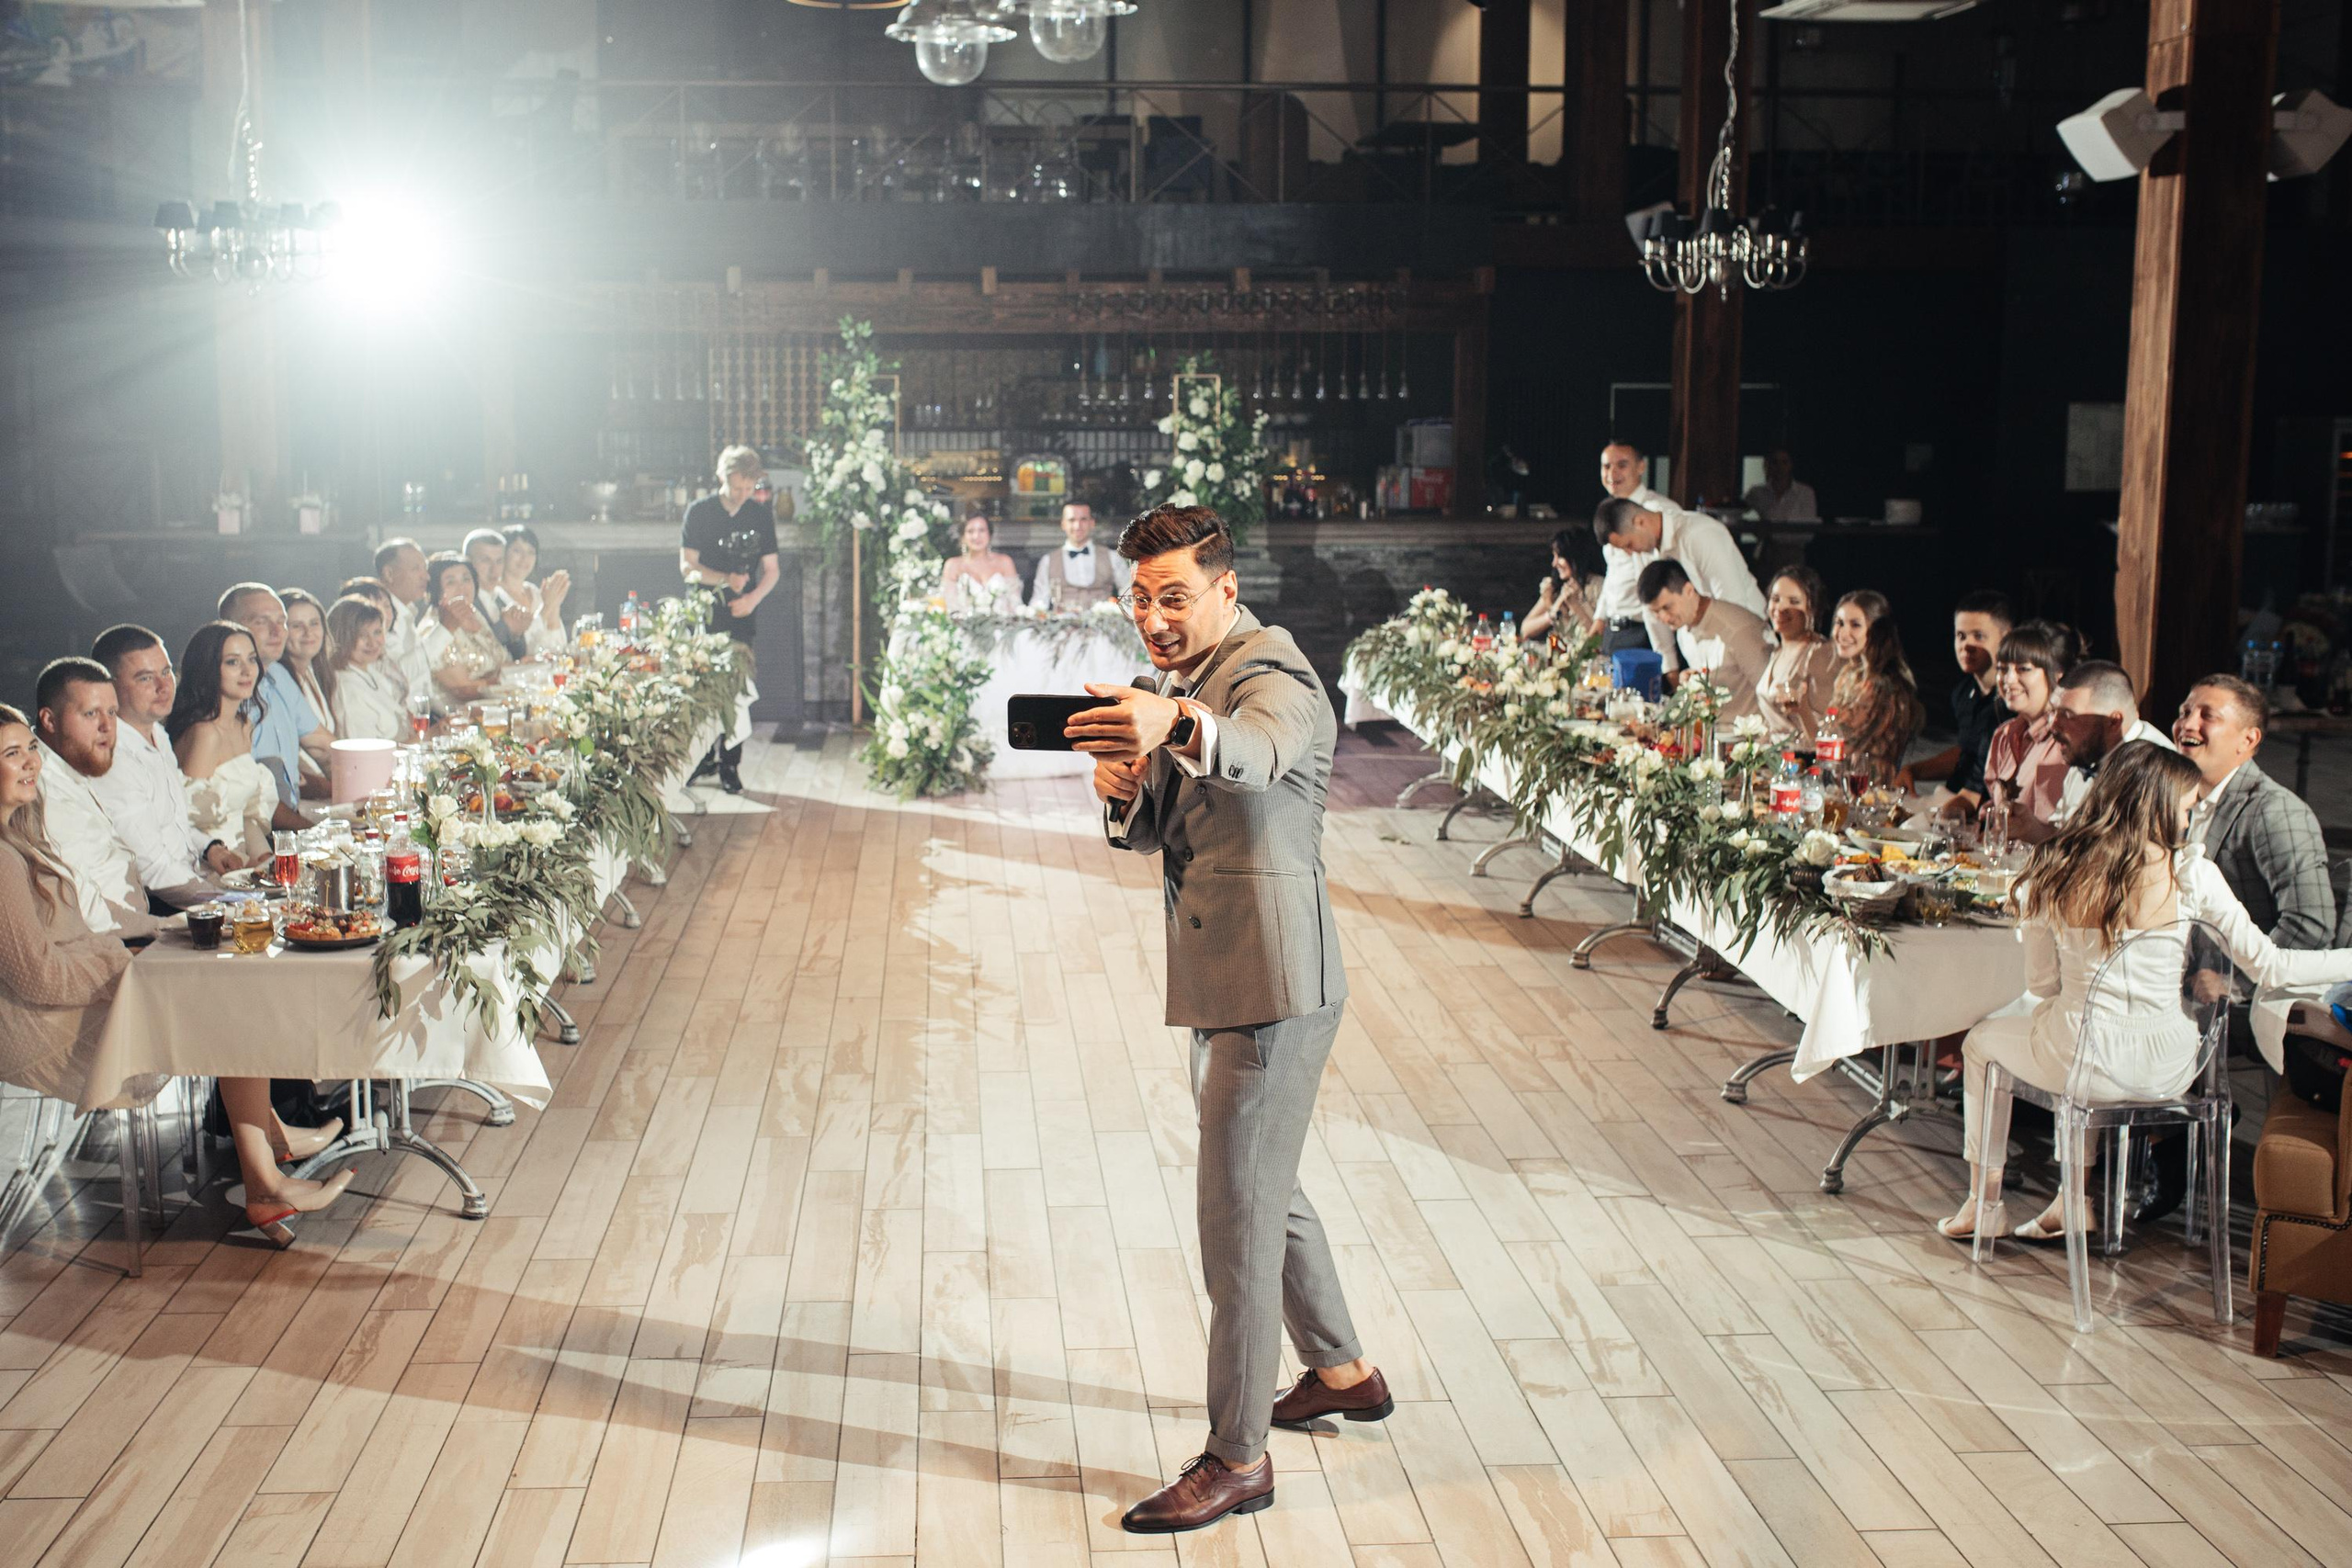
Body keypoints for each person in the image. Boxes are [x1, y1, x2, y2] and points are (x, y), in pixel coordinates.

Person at [1065, 503, 1383, 1534]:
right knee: (1264, 1189)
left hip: (1275, 988)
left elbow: (1255, 751)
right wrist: (1122, 786)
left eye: (1173, 596)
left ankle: (1237, 1459)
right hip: (1224, 973)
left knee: (1234, 1225)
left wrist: (1176, 728)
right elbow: (1155, 826)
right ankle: (1340, 1369)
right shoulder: (1179, 684)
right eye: (1140, 598)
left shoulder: (1269, 674)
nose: (1152, 617)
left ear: (1224, 590)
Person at [1939, 742, 2352, 1244]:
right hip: (2172, 1065)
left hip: (2085, 1061)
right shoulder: (2194, 873)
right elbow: (2272, 965)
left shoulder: (2053, 870)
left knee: (1983, 1042)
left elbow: (2041, 986)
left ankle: (1985, 1205)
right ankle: (2071, 1204)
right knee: (2081, 1035)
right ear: (2153, 806)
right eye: (2184, 809)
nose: (2188, 820)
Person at [0, 701, 354, 1239]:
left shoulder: (20, 836)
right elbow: (37, 979)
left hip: (86, 983)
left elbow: (70, 937)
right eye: (11, 754)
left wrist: (154, 938)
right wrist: (128, 965)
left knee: (225, 982)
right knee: (222, 998)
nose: (31, 763)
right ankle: (264, 1174)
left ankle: (267, 1153)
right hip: (42, 1025)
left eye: (30, 748)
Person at [86, 626, 243, 908]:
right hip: (156, 905)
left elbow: (170, 823)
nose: (164, 686)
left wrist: (209, 848)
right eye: (145, 678)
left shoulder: (158, 734)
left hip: (192, 884)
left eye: (166, 671)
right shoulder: (114, 757)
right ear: (109, 687)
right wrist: (236, 903)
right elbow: (154, 871)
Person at [2174, 674, 2332, 951]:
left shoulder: (2275, 810)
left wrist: (2234, 978)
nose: (2188, 724)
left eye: (2207, 716)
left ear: (2248, 739)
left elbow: (2311, 925)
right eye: (2185, 712)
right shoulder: (2175, 798)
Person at [679, 446, 783, 794]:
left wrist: (753, 598)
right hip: (705, 613)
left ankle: (730, 762)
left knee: (738, 690)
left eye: (748, 488)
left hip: (742, 614)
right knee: (704, 689)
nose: (742, 495)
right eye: (736, 487)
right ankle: (703, 757)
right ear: (721, 477)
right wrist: (724, 579)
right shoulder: (699, 512)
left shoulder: (759, 514)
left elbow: (771, 570)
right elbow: (686, 566)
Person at [32, 659, 148, 933]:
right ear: (49, 720)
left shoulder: (72, 765)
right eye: (91, 714)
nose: (107, 726)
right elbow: (78, 905)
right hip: (112, 944)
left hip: (135, 930)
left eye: (111, 712)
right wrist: (161, 928)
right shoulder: (41, 786)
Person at [1593, 493, 1768, 675]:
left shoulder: (1698, 534)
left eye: (1628, 544)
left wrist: (1717, 669)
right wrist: (1670, 668)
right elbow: (1651, 612)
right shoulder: (1643, 551)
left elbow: (1733, 602)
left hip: (1747, 645)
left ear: (1640, 522)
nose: (1630, 553)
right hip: (1701, 655)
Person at [219, 581, 330, 828]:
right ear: (232, 629)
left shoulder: (278, 674)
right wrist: (313, 833)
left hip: (289, 820)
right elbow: (254, 796)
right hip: (253, 833)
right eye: (262, 622)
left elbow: (325, 748)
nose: (278, 631)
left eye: (282, 621)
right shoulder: (225, 692)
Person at [167, 622, 278, 864]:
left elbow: (243, 813)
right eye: (232, 662)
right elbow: (188, 821)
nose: (247, 671)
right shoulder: (205, 734)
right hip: (207, 867)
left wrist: (265, 860)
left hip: (242, 863)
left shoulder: (243, 725)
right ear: (207, 669)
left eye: (251, 659)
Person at [1896, 591, 2014, 817]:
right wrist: (1914, 770)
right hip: (1954, 800)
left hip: (1986, 815)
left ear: (2006, 638)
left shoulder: (2012, 701)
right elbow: (1966, 751)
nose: (1967, 645)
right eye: (1961, 636)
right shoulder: (1964, 691)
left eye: (1979, 636)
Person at [2047, 660, 2176, 831]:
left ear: (2114, 721)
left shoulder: (2156, 770)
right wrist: (2029, 827)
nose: (2053, 726)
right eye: (2053, 711)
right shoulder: (2088, 751)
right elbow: (2063, 834)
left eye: (2068, 715)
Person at [1637, 558, 1771, 721]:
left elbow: (1770, 694)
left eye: (1667, 607)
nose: (1663, 618)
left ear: (1689, 590)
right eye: (1656, 612)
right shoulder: (1683, 626)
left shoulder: (1738, 630)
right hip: (1709, 731)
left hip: (1748, 737)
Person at [1983, 620, 2079, 840]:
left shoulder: (2068, 742)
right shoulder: (2004, 736)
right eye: (2002, 669)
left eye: (2023, 669)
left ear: (2058, 675)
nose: (2008, 680)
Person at [1826, 591, 1924, 783]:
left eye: (1855, 625)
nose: (1843, 633)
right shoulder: (1850, 675)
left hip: (1866, 788)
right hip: (1840, 781)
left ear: (1878, 631)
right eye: (1839, 623)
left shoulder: (1879, 686)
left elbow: (1839, 742)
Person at [1588, 441, 1672, 656]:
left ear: (1641, 467)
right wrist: (1599, 617)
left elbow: (1661, 585)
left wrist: (1667, 656)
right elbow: (1613, 571)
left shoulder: (1657, 512)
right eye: (1606, 467)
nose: (1612, 473)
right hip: (1614, 630)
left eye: (1622, 465)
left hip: (1645, 632)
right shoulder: (1609, 512)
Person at [1754, 566, 1839, 740]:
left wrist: (1802, 709)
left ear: (1812, 609)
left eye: (1794, 602)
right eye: (1776, 599)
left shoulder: (1820, 653)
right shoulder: (1777, 651)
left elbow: (1829, 729)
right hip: (1773, 758)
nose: (1781, 607)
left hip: (1804, 759)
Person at [415, 556, 506, 703]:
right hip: (459, 717)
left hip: (494, 705)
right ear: (436, 590)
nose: (462, 587)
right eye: (451, 582)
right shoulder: (434, 629)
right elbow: (462, 690)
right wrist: (508, 684)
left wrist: (527, 664)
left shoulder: (474, 614)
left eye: (466, 579)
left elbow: (499, 662)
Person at [325, 595, 408, 743]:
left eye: (377, 632)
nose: (372, 642)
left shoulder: (369, 671)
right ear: (342, 638)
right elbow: (364, 756)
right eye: (362, 635)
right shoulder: (347, 687)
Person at [1029, 501, 1131, 611]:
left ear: (1092, 523)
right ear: (1063, 524)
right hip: (1062, 626)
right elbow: (1039, 602)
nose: (1077, 526)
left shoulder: (1112, 557)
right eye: (1072, 520)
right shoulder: (1048, 561)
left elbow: (1129, 594)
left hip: (1102, 626)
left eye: (1083, 520)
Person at [368, 539, 437, 700]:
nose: (426, 577)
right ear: (389, 574)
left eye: (425, 568)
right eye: (416, 569)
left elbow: (422, 685)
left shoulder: (407, 612)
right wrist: (447, 629)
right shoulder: (381, 617)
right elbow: (398, 674)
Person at [1521, 526, 1606, 645]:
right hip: (1559, 656)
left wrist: (1576, 606)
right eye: (1554, 556)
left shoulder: (1599, 586)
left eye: (1559, 557)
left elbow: (1600, 640)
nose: (1554, 563)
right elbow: (1525, 630)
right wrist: (1552, 612)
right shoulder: (1556, 587)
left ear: (1575, 556)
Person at [498, 525, 574, 654]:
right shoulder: (496, 595)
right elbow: (523, 647)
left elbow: (559, 646)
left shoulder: (534, 592)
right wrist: (547, 607)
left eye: (531, 552)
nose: (524, 558)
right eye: (517, 550)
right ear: (503, 553)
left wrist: (555, 606)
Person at [278, 588, 336, 743]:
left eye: (314, 623)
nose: (308, 632)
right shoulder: (277, 682)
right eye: (297, 626)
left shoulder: (316, 673)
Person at [462, 529, 530, 660]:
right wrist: (505, 627)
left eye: (499, 561)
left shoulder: (503, 599)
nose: (494, 569)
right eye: (486, 561)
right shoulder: (464, 602)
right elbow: (476, 656)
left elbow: (519, 655)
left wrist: (517, 633)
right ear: (468, 562)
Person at [940, 512, 1021, 612]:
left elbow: (1015, 603)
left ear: (989, 534)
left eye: (982, 530)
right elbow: (949, 606)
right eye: (970, 531)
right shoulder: (953, 565)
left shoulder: (1005, 562)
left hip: (1002, 624)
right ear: (963, 537)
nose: (976, 536)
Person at [1743, 449, 1819, 523]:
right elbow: (1736, 512)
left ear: (1791, 465)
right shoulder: (1757, 492)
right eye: (1775, 462)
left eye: (1784, 462)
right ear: (1768, 465)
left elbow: (1809, 525)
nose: (1780, 467)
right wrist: (1753, 527)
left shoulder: (1805, 492)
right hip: (1769, 535)